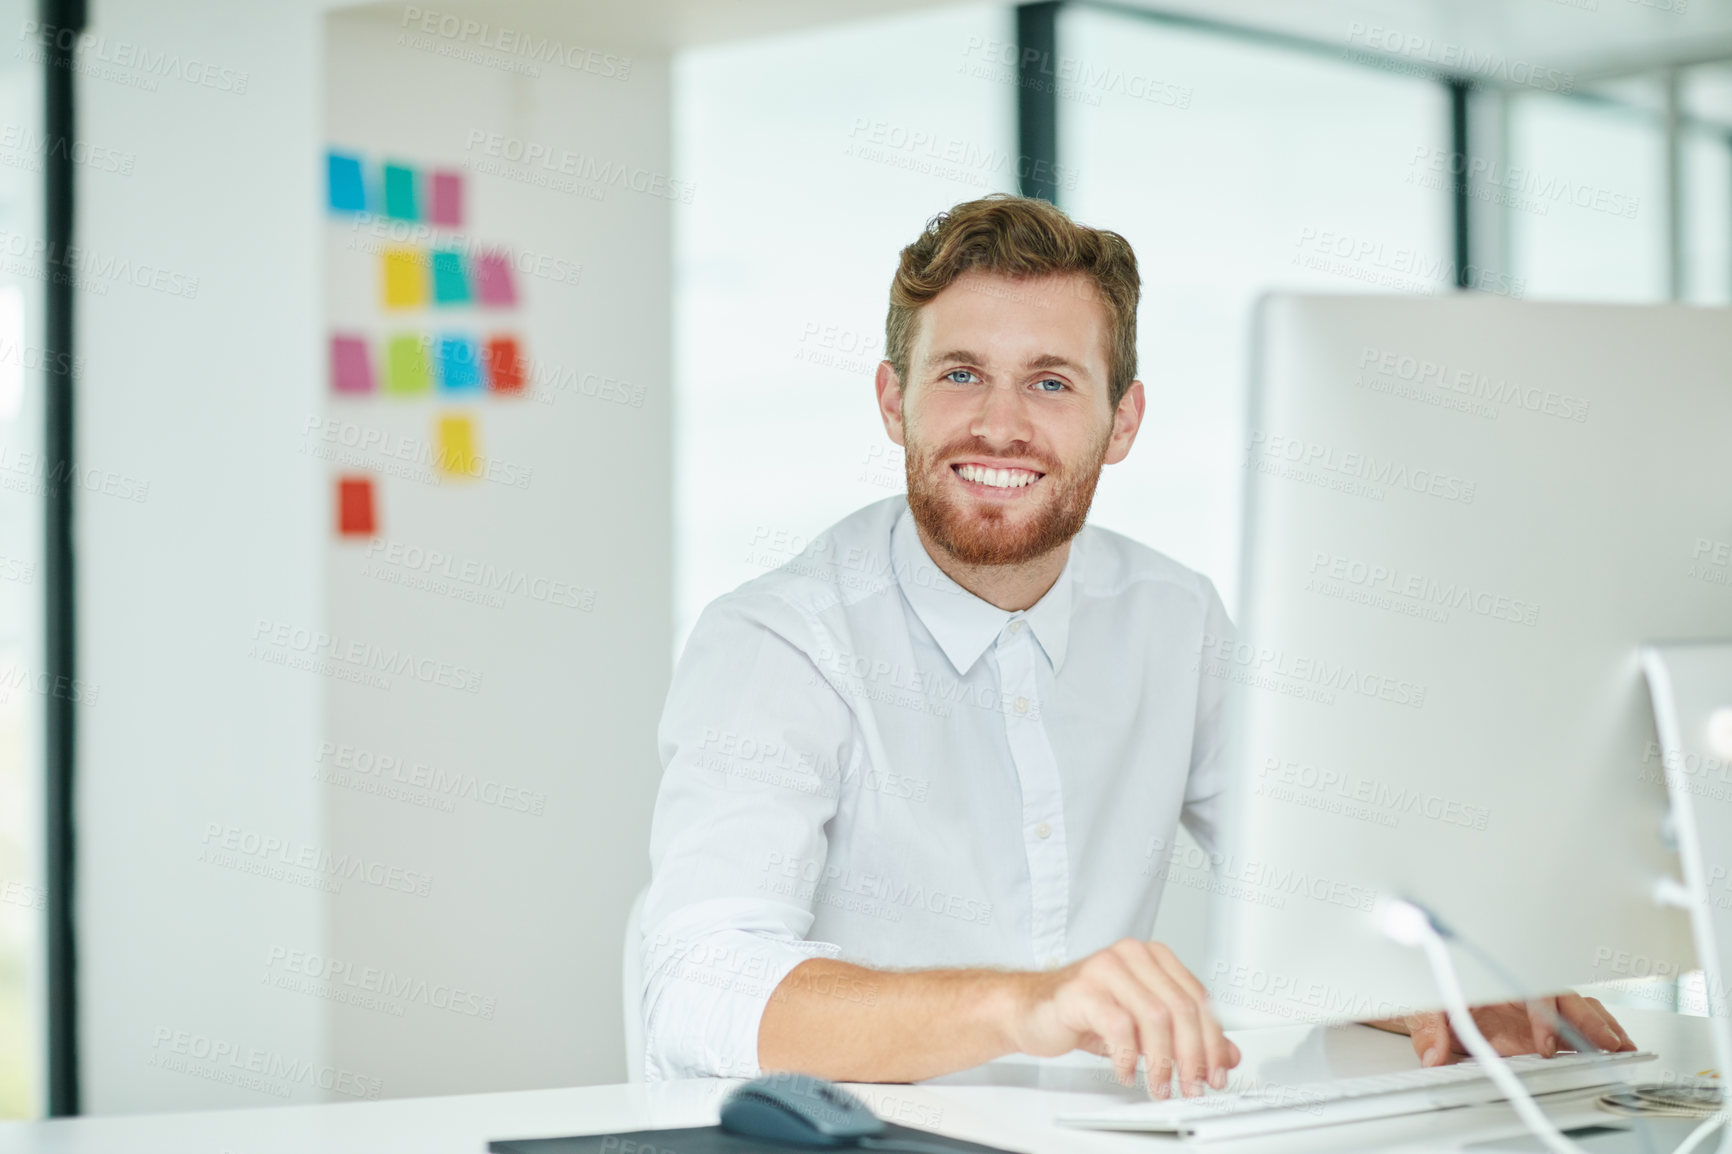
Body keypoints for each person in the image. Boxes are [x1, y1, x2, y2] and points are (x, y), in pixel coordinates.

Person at [639, 194, 1634, 1093]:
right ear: (892, 399)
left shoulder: (1174, 616)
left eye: (1051, 382)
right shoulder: (779, 639)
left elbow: (1314, 893)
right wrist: (1023, 1003)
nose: (999, 423)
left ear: (1122, 421)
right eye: (958, 373)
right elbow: (696, 982)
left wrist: (1439, 986)